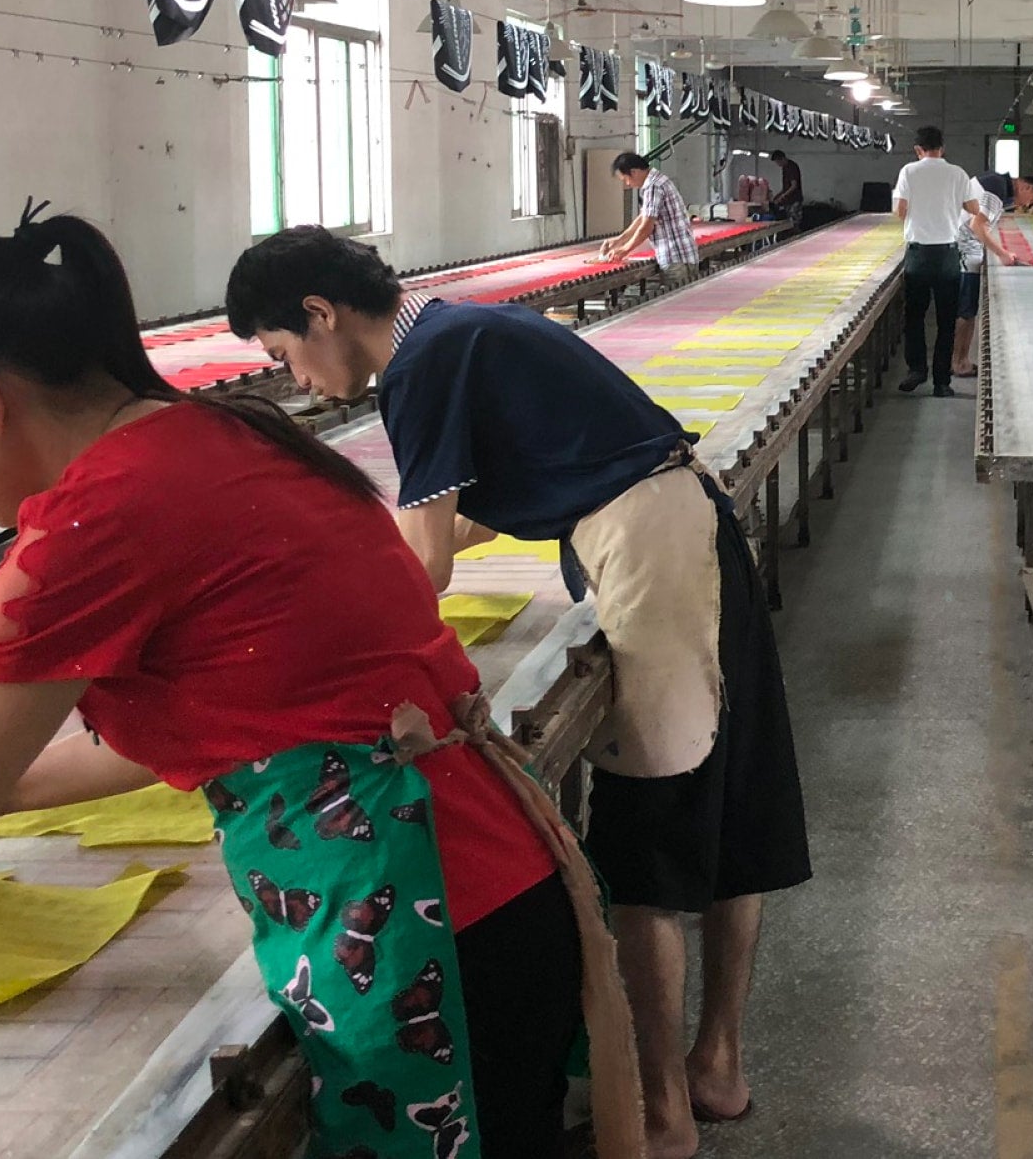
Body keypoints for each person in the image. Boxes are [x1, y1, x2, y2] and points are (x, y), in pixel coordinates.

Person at [0, 211, 599, 1158]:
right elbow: (239, 709)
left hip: (411, 923)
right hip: (488, 877)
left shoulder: (99, 520)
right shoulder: (231, 437)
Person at [226, 228, 811, 1159]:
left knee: (649, 842)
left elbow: (425, 567)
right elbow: (466, 524)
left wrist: (315, 667)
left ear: (320, 314)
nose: (294, 378)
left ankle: (662, 1117)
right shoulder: (459, 334)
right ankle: (715, 1066)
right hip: (687, 530)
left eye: (281, 353)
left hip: (656, 556)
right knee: (731, 816)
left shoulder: (423, 365)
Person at [890, 125, 992, 398]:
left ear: (918, 149)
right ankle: (941, 382)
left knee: (914, 316)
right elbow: (973, 208)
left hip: (918, 255)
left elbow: (900, 211)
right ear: (942, 148)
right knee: (947, 320)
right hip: (948, 256)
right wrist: (949, 202)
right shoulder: (958, 173)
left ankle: (916, 370)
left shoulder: (908, 171)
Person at [953, 169, 1033, 380]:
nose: (1026, 204)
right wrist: (1002, 254)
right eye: (1031, 199)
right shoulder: (996, 188)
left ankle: (961, 360)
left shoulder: (994, 183)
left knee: (968, 311)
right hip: (964, 253)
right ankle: (958, 362)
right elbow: (977, 225)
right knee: (966, 311)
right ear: (1025, 187)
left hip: (963, 249)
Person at [601, 151, 700, 283]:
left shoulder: (653, 187)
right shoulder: (659, 180)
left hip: (675, 259)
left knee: (678, 295)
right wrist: (620, 240)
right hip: (685, 256)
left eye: (626, 179)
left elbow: (646, 227)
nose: (628, 184)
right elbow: (644, 216)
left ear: (634, 172)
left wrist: (625, 249)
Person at [766, 150, 804, 221]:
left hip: (794, 200)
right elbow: (786, 187)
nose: (778, 164)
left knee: (794, 220)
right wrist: (778, 195)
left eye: (778, 162)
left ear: (783, 158)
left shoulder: (792, 167)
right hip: (788, 201)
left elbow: (794, 186)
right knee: (788, 221)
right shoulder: (785, 168)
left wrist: (782, 196)